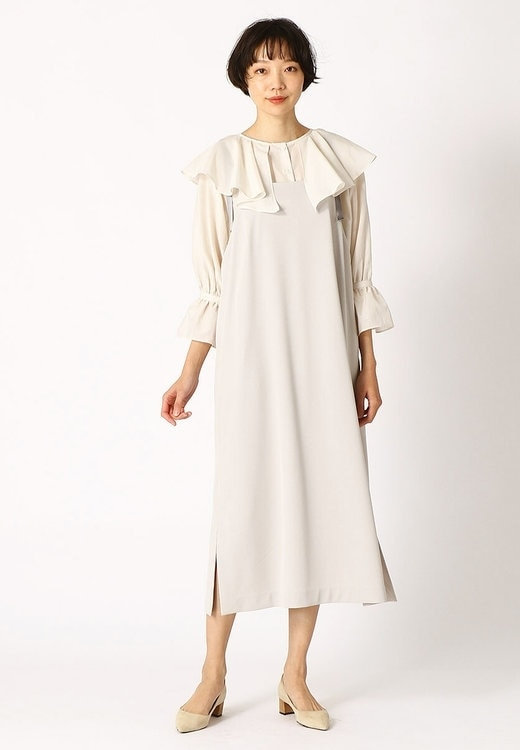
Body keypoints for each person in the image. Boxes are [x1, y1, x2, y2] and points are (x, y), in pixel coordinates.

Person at [161, 17, 397, 733]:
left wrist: (368, 365)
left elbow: (356, 273)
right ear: (243, 77)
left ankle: (295, 675)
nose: (275, 81)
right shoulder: (223, 165)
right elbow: (213, 283)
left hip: (325, 359)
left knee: (317, 505)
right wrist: (189, 371)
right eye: (261, 68)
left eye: (289, 67)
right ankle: (213, 673)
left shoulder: (336, 162)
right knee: (240, 508)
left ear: (305, 77)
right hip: (251, 360)